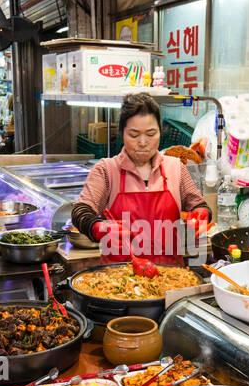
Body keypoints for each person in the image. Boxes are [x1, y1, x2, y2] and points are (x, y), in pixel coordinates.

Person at [71, 92, 211, 266]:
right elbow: (81, 211)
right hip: (118, 281)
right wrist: (99, 228)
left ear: (160, 132)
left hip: (171, 279)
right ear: (122, 134)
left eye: (151, 134)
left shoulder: (176, 168)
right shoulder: (106, 170)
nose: (143, 142)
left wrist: (201, 215)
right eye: (134, 135)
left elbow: (199, 205)